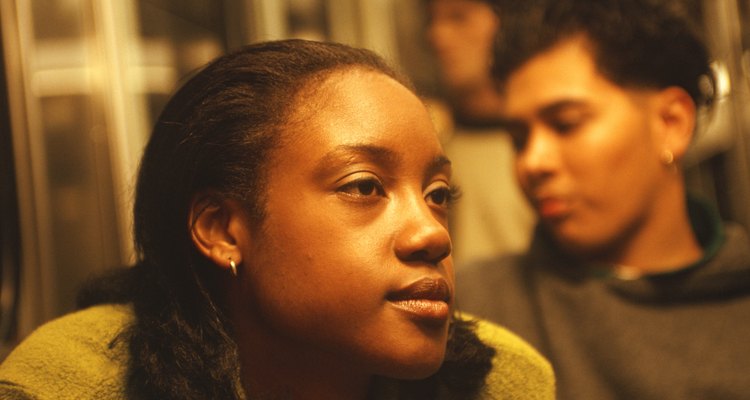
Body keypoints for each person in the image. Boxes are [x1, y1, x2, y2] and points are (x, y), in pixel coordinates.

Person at [0, 39, 554, 399]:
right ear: (222, 229)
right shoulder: (67, 386)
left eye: (437, 193)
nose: (432, 232)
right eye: (364, 187)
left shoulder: (502, 383)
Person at [456, 1, 750, 399]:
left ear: (671, 124)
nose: (532, 162)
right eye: (518, 139)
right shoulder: (472, 313)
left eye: (566, 124)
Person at [424, 0, 535, 267]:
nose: (437, 36)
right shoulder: (433, 142)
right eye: (433, 20)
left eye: (459, 18)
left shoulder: (542, 150)